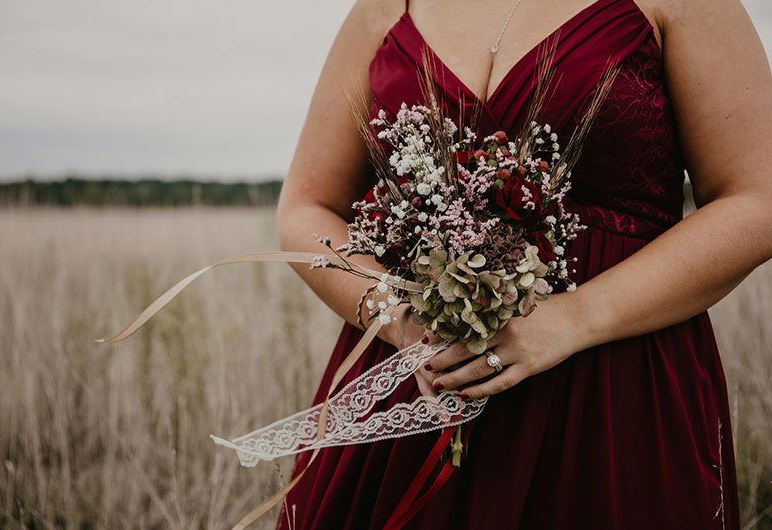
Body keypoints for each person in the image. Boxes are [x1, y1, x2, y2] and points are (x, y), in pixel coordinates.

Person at [274, 0, 772, 527]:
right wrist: (399, 318)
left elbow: (757, 200)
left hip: (612, 389)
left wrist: (577, 317)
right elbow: (307, 206)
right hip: (422, 390)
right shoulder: (386, 9)